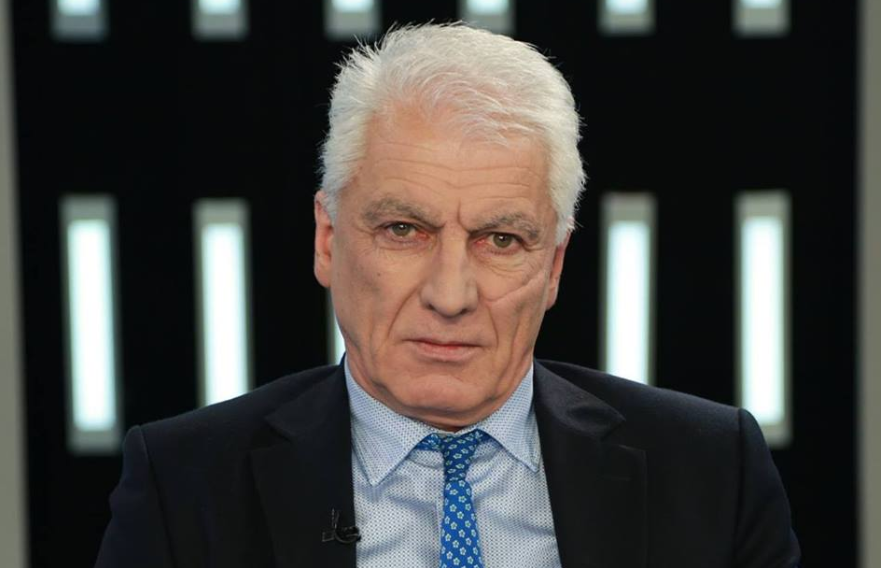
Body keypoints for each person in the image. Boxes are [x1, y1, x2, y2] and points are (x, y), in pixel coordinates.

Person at [95, 23, 800, 568]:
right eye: (404, 230)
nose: (451, 294)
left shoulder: (714, 471)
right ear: (328, 240)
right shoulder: (182, 488)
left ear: (554, 266)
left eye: (501, 240)